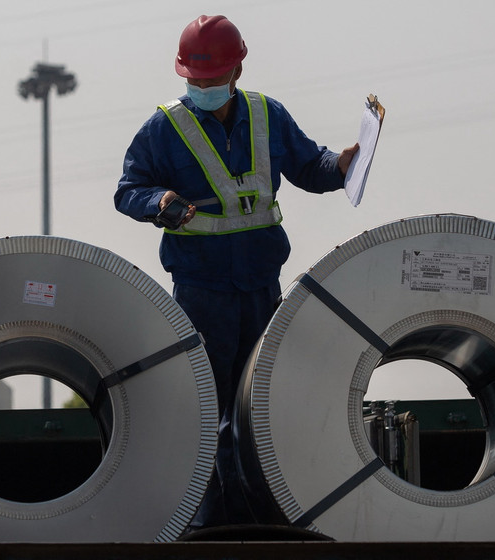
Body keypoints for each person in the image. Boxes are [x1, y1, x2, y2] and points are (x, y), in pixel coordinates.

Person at [114, 14, 359, 528]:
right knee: (207, 412)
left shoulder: (267, 116)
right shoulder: (163, 129)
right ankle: (208, 523)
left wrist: (339, 166)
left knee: (258, 410)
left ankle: (260, 517)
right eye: (193, 80)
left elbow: (309, 167)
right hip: (201, 293)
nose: (201, 87)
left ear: (236, 70)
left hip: (262, 289)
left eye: (210, 79)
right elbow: (127, 191)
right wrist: (158, 200)